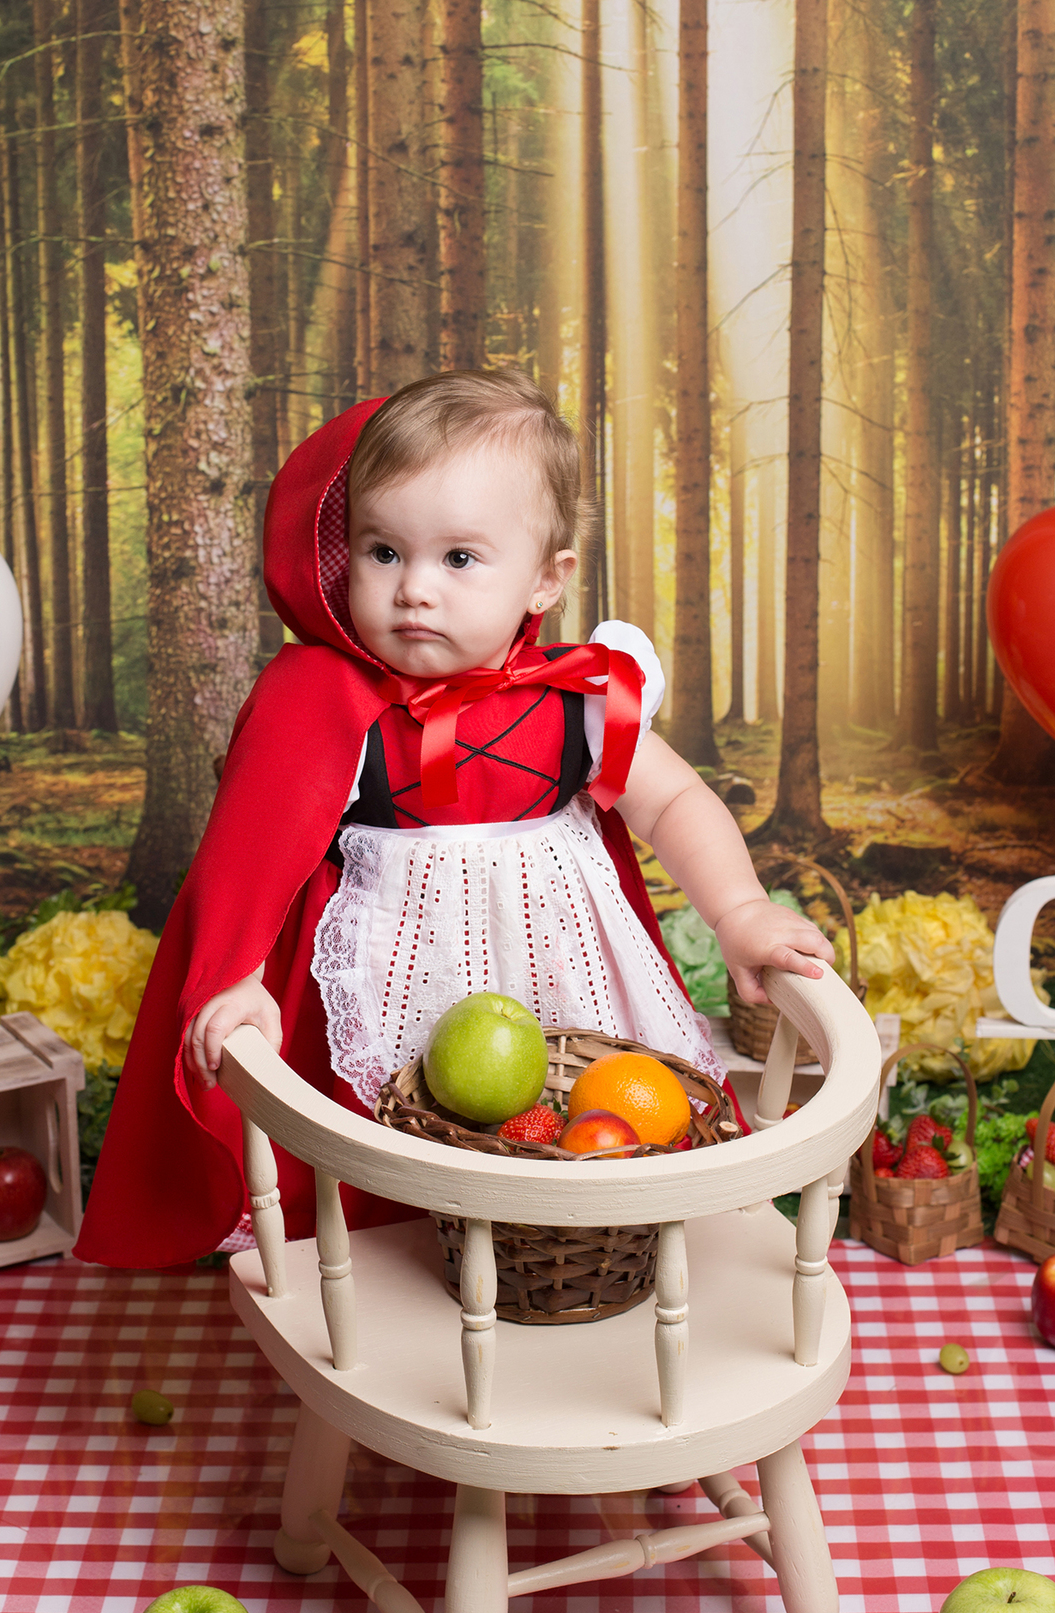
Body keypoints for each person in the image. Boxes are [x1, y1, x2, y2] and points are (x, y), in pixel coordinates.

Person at [75, 370, 832, 1270]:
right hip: (401, 963)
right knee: (389, 1148)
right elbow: (266, 855)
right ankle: (412, 1264)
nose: (413, 591)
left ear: (545, 581)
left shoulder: (579, 701)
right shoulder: (333, 711)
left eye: (459, 559)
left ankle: (573, 1262)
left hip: (554, 966)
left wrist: (738, 910)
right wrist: (240, 976)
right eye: (383, 552)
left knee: (584, 1119)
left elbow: (671, 800)